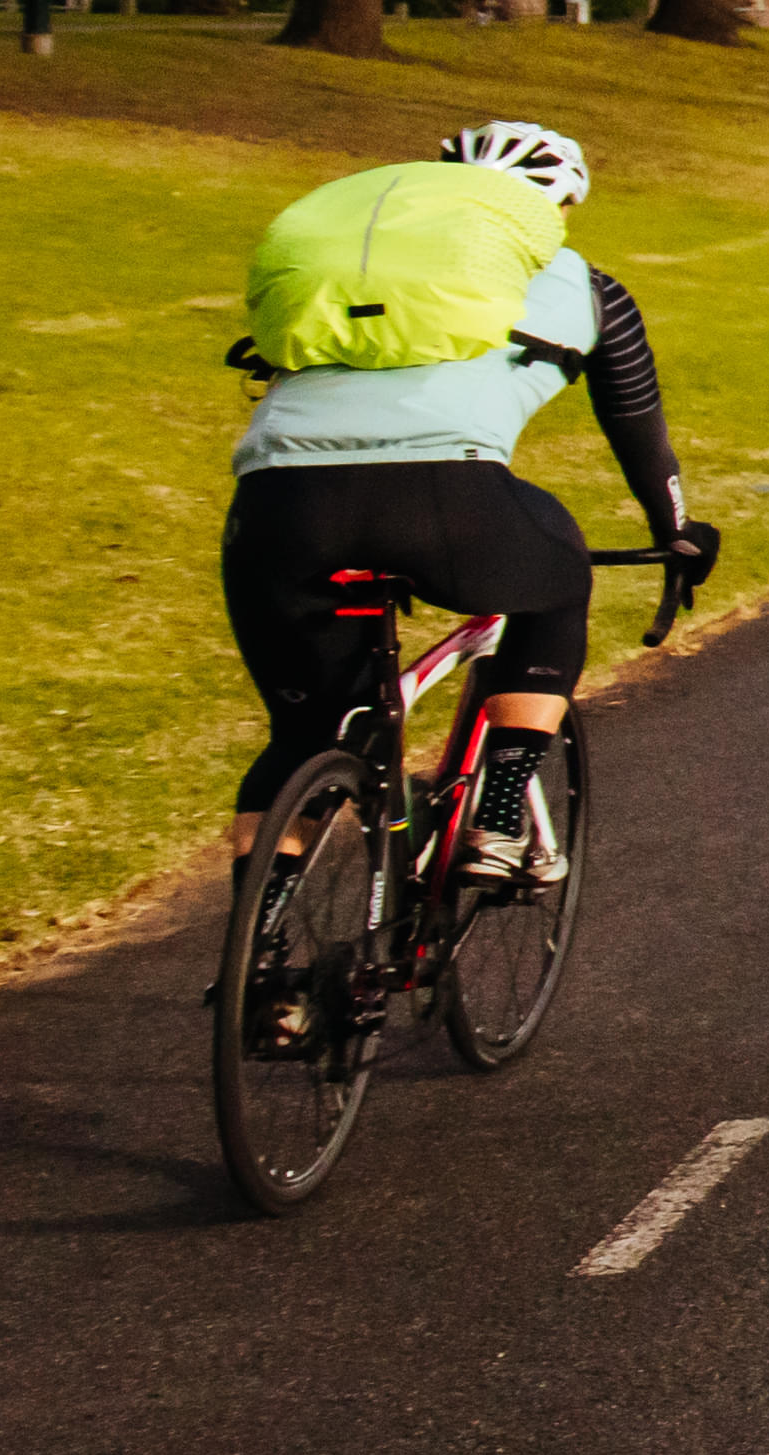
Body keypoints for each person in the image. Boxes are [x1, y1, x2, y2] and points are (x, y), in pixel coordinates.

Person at [220, 120, 692, 888]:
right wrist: (677, 531)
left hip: (277, 506)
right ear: (558, 210)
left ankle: (260, 962)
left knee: (304, 733)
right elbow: (640, 431)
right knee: (557, 571)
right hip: (445, 500)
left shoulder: (349, 277)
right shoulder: (583, 283)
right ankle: (499, 817)